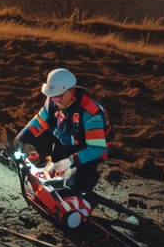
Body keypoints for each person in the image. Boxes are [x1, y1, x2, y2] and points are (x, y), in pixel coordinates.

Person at [13, 68, 109, 197]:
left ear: (71, 91)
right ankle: (54, 169)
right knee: (42, 145)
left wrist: (69, 161)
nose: (54, 100)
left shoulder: (91, 113)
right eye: (51, 96)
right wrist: (22, 137)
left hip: (87, 154)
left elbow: (97, 149)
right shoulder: (53, 100)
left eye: (57, 96)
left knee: (72, 186)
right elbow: (38, 122)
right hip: (64, 144)